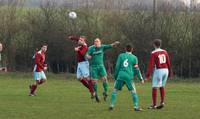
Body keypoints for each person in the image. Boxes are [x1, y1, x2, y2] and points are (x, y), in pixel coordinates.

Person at [109, 44, 144, 111]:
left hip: (121, 75)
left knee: (115, 90)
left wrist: (116, 76)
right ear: (132, 49)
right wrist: (141, 79)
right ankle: (136, 107)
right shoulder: (134, 58)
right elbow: (136, 69)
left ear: (125, 49)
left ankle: (111, 105)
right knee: (133, 92)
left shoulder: (121, 56)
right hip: (129, 76)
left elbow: (117, 67)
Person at [86, 38, 120, 102]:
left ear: (100, 42)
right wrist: (88, 56)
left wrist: (115, 43)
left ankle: (105, 93)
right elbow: (87, 55)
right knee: (94, 82)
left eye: (97, 41)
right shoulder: (91, 48)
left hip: (101, 66)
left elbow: (110, 45)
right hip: (93, 67)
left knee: (105, 79)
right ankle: (96, 94)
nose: (95, 42)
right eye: (95, 41)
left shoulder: (102, 47)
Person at [146, 39, 172, 109]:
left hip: (159, 70)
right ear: (160, 44)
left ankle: (154, 105)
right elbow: (168, 62)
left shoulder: (153, 53)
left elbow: (151, 65)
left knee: (154, 87)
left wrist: (148, 74)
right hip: (166, 70)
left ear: (154, 44)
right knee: (162, 86)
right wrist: (170, 72)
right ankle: (162, 102)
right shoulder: (165, 52)